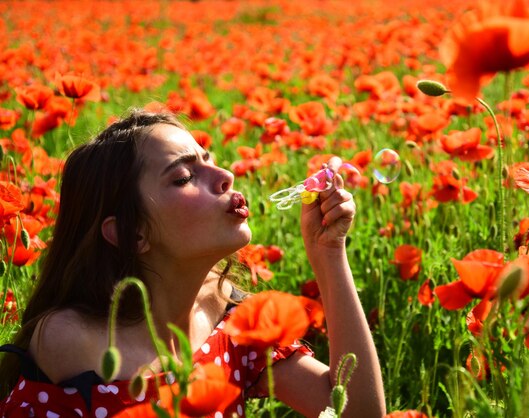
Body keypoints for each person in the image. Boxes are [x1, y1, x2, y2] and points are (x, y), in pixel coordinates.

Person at [0, 109, 386, 417]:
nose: (225, 176)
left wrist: (329, 253)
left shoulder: (232, 319)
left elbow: (358, 411)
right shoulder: (73, 342)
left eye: (209, 160)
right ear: (133, 235)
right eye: (184, 177)